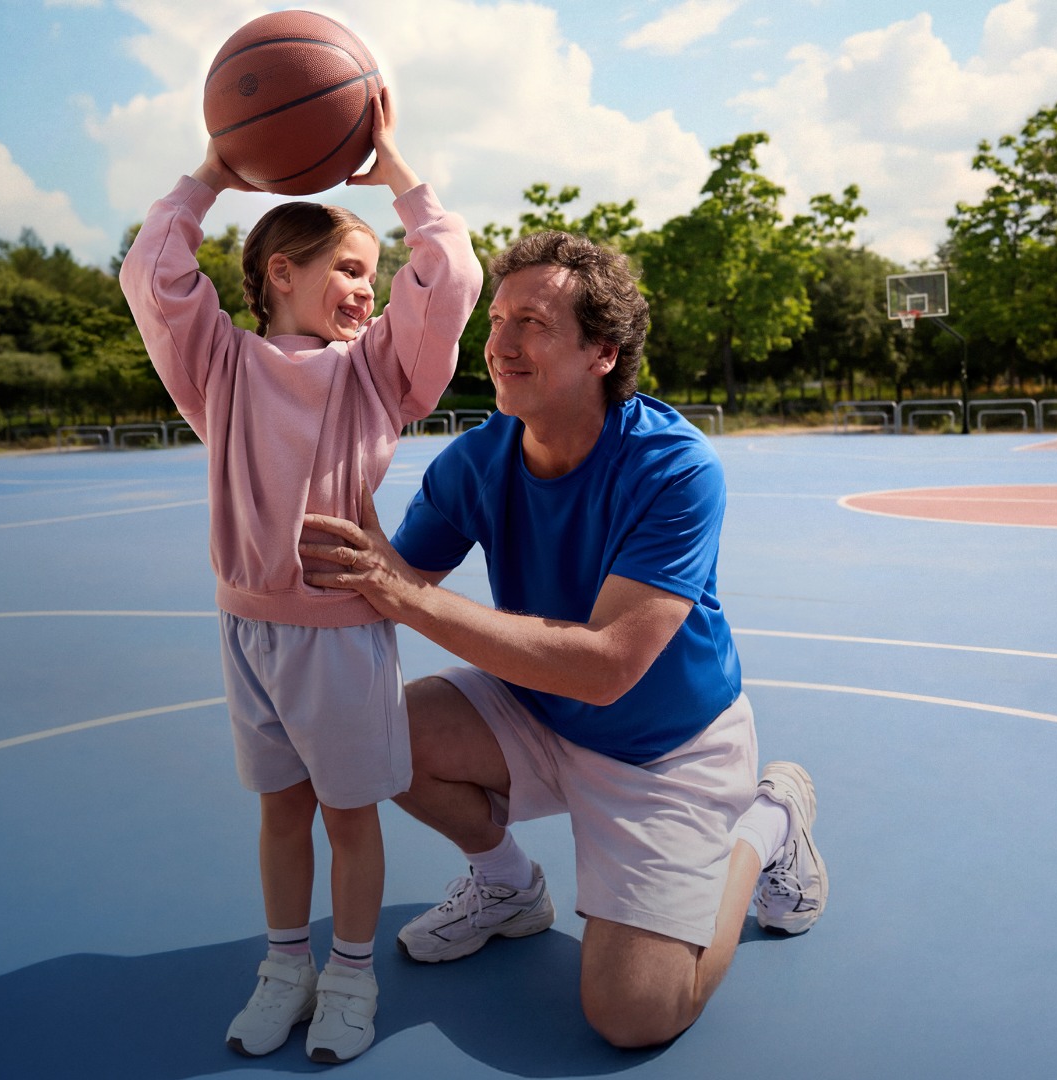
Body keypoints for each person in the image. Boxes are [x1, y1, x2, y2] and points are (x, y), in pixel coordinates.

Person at [299, 230, 827, 1049]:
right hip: (539, 711)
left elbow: (610, 666)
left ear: (603, 353)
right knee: (374, 736)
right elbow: (391, 582)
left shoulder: (674, 468)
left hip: (663, 750)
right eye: (497, 319)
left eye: (532, 324)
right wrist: (323, 514)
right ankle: (509, 889)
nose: (499, 345)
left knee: (634, 1015)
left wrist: (400, 594)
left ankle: (766, 823)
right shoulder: (474, 463)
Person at [119, 89, 482, 1064]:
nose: (370, 289)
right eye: (351, 269)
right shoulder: (221, 371)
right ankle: (287, 967)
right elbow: (153, 274)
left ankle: (352, 977)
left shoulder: (377, 376)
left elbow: (449, 279)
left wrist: (397, 172)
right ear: (281, 273)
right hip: (248, 630)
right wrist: (209, 173)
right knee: (282, 810)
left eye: (372, 274)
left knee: (347, 815)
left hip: (337, 632)